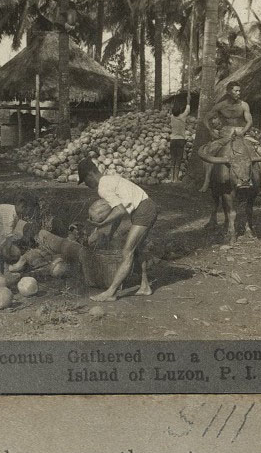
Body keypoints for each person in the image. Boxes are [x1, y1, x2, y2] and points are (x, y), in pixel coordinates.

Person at [77, 158, 157, 301]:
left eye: (86, 181)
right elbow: (120, 211)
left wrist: (102, 224)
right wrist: (111, 233)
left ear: (90, 175)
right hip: (146, 207)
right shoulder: (109, 179)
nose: (87, 185)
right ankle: (145, 286)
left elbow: (119, 210)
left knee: (127, 251)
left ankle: (111, 292)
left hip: (144, 210)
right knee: (136, 249)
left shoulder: (103, 187)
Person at [202, 81, 261, 193]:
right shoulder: (221, 105)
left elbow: (249, 121)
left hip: (243, 133)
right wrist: (211, 131)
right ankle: (206, 180)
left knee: (260, 150)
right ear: (229, 91)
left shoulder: (244, 105)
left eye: (239, 90)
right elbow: (206, 118)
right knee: (210, 149)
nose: (238, 93)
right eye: (236, 91)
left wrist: (243, 131)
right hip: (225, 134)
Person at [169, 96, 192, 182]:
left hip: (173, 140)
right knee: (178, 159)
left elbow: (172, 110)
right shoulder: (183, 117)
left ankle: (171, 178)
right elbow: (187, 110)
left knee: (173, 159)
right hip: (181, 140)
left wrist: (173, 105)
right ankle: (176, 178)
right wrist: (188, 101)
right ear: (180, 111)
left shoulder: (172, 117)